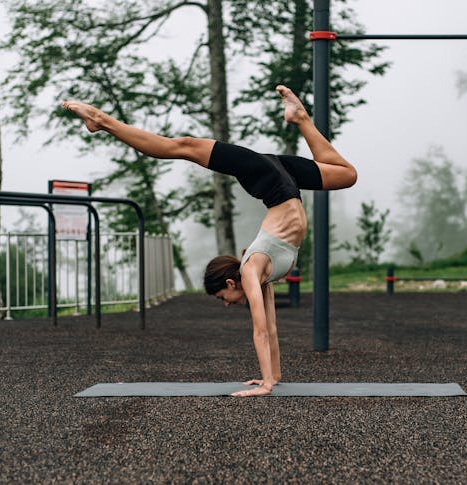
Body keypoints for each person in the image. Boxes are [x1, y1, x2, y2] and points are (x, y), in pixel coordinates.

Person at [63, 85, 357, 397]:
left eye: (221, 297)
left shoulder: (250, 271)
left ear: (231, 283)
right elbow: (269, 328)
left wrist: (267, 384)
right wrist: (271, 378)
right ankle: (300, 118)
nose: (226, 305)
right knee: (346, 175)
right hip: (281, 179)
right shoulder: (259, 274)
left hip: (271, 179)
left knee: (185, 146)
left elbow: (259, 329)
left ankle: (101, 119)